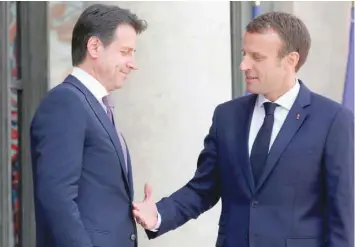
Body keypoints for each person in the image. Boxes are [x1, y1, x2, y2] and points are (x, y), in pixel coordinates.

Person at [132, 11, 354, 247]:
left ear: (290, 60)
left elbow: (342, 213)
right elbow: (203, 188)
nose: (244, 65)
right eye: (244, 54)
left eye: (256, 57)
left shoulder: (333, 120)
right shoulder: (227, 116)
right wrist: (159, 215)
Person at [30, 4, 147, 247]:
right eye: (125, 52)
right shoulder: (65, 103)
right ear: (94, 47)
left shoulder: (95, 105)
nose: (132, 63)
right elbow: (57, 197)